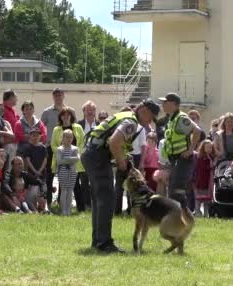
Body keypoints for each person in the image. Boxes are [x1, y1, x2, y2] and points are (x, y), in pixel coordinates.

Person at [82, 99, 160, 253]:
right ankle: (104, 244)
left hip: (92, 154)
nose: (150, 122)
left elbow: (116, 142)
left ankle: (98, 241)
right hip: (98, 156)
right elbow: (114, 141)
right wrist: (120, 161)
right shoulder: (131, 122)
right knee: (107, 199)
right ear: (143, 110)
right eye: (150, 118)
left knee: (100, 200)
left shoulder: (125, 115)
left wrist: (124, 157)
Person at [159, 93, 203, 207]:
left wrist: (190, 150)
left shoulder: (181, 118)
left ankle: (184, 219)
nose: (162, 104)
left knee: (176, 191)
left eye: (165, 102)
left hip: (183, 160)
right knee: (173, 191)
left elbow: (197, 131)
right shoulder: (172, 119)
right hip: (175, 160)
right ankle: (179, 219)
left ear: (174, 104)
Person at [51, 107, 86, 212]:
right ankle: (62, 209)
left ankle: (80, 208)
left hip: (76, 164)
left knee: (76, 187)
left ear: (71, 116)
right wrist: (62, 154)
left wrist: (74, 152)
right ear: (60, 117)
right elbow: (53, 145)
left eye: (68, 115)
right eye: (63, 115)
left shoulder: (78, 127)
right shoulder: (56, 129)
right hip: (61, 164)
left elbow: (82, 142)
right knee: (63, 188)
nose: (65, 117)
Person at [41, 88, 66, 207]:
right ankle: (49, 202)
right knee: (49, 175)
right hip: (50, 147)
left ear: (63, 96)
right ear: (53, 97)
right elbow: (41, 127)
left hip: (65, 148)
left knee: (63, 175)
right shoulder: (47, 112)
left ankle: (61, 202)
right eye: (56, 95)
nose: (58, 97)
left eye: (60, 95)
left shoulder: (69, 111)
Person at [77, 101, 98, 208]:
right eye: (87, 110)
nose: (90, 112)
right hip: (82, 158)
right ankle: (86, 205)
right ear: (84, 112)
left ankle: (96, 204)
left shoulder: (100, 125)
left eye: (92, 109)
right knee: (84, 182)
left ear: (95, 111)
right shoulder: (78, 125)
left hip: (97, 159)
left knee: (95, 183)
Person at [56, 129, 80, 216]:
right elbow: (59, 161)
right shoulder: (60, 149)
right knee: (64, 190)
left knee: (70, 190)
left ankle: (68, 209)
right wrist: (71, 160)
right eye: (67, 137)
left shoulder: (75, 148)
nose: (69, 139)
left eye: (71, 137)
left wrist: (66, 158)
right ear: (63, 138)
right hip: (63, 171)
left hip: (73, 171)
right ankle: (63, 210)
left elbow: (77, 158)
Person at [193, 139, 214, 217]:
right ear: (203, 148)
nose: (209, 149)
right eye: (208, 147)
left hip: (207, 182)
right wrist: (211, 166)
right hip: (200, 182)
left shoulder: (209, 157)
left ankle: (206, 213)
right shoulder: (201, 158)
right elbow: (202, 168)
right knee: (198, 199)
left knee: (206, 200)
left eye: (210, 148)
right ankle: (198, 212)